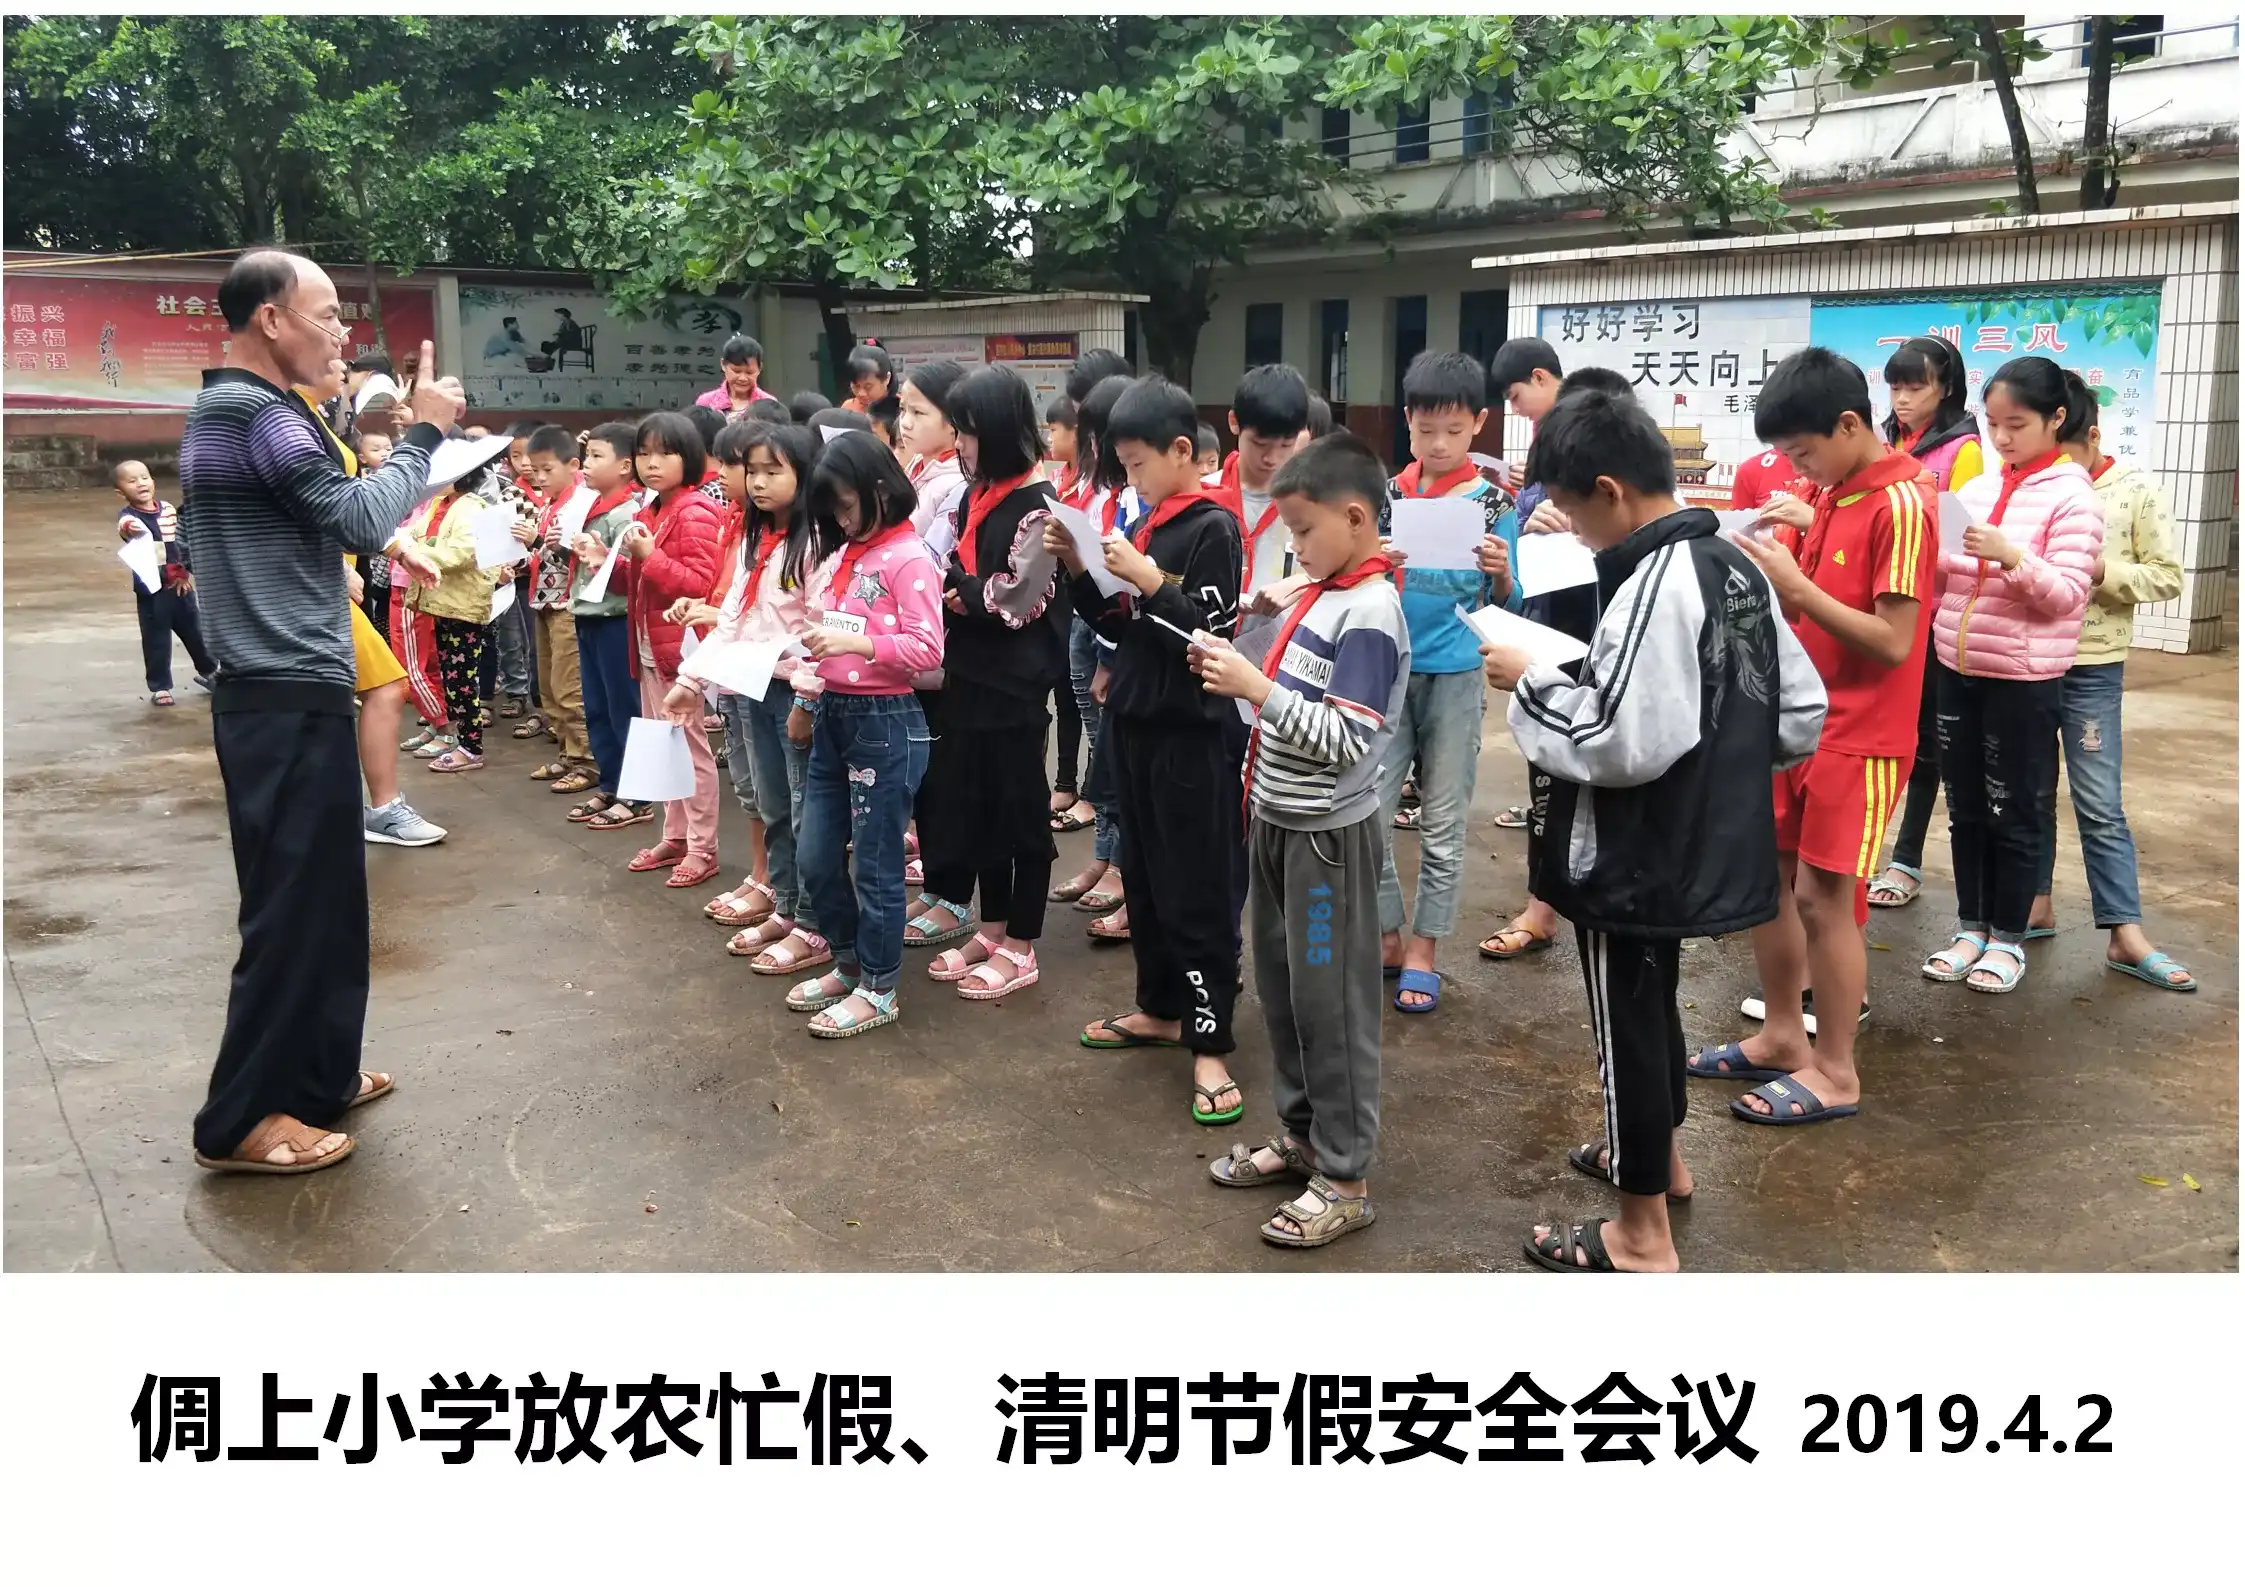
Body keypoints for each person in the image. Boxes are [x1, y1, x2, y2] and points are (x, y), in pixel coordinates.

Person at [1481, 387, 1826, 1270]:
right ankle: (1659, 1163)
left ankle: (1638, 1234)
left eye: (1576, 513)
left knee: (1625, 1028)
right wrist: (1718, 765)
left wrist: (1529, 680)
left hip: (1632, 854)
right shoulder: (1733, 563)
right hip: (1707, 839)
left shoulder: (1653, 581)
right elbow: (1796, 711)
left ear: (1610, 490)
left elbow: (1613, 738)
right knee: (1649, 1004)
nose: (1578, 533)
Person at [180, 249, 459, 1176]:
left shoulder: (257, 409)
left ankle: (316, 1075)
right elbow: (359, 518)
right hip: (279, 692)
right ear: (271, 318)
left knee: (331, 902)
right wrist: (425, 435)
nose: (342, 331)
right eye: (328, 313)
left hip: (294, 686)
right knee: (291, 912)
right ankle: (240, 1119)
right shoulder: (253, 412)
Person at [1690, 348, 1935, 1127]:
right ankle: (1779, 1034)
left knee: (1824, 899)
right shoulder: (1826, 493)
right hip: (1795, 719)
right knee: (1771, 880)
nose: (1795, 469)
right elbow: (1797, 610)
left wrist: (1794, 585)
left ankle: (1834, 1068)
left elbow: (1893, 641)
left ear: (1849, 424)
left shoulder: (1900, 504)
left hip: (1861, 734)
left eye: (1801, 452)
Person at [1192, 432, 1409, 1248]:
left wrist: (1255, 686)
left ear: (1354, 517)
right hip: (1277, 823)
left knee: (1332, 1006)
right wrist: (1253, 635)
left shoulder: (1370, 611)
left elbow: (1346, 739)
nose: (1296, 547)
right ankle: (1302, 1137)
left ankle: (1346, 1174)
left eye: (1304, 531)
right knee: (1283, 993)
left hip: (1325, 845)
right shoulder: (1322, 591)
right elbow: (1292, 684)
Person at [1045, 376, 1247, 1124]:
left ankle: (1210, 1042)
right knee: (1147, 880)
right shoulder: (1150, 521)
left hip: (1191, 734)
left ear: (1181, 450)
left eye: (1135, 464)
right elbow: (1121, 626)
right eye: (1122, 466)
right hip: (1134, 722)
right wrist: (1078, 566)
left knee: (1196, 889)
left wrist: (1152, 578)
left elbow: (1209, 634)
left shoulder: (1213, 528)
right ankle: (1160, 1009)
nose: (1129, 479)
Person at [1919, 355, 2100, 996]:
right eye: (1993, 424)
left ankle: (2008, 938)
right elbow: (1947, 568)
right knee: (1965, 808)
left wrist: (2011, 556)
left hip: (2023, 679)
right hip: (1958, 663)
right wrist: (1940, 548)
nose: (2001, 438)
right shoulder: (1977, 488)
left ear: (2056, 419)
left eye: (2016, 425)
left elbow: (2068, 596)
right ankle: (1971, 927)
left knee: (2015, 810)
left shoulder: (2074, 496)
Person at [2027, 374, 2194, 991]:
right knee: (2029, 795)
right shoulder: (2031, 485)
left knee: (2098, 803)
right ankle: (2035, 906)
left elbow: (2168, 576)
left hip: (2093, 667)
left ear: (2092, 436)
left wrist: (2100, 570)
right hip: (2027, 663)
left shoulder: (2135, 490)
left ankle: (2125, 932)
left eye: (2067, 455)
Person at [786, 431, 946, 1036]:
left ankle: (879, 985)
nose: (843, 520)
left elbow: (929, 650)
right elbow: (832, 635)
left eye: (848, 506)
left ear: (880, 489)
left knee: (876, 865)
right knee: (815, 855)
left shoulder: (909, 557)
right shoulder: (846, 556)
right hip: (834, 714)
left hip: (884, 721)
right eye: (834, 510)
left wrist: (857, 643)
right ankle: (850, 962)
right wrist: (809, 688)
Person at [914, 363, 1066, 1000]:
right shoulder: (975, 496)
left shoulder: (1040, 508)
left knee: (1020, 814)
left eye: (968, 431)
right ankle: (992, 927)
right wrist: (961, 591)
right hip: (968, 675)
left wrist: (963, 591)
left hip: (1014, 686)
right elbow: (951, 569)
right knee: (977, 809)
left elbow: (1016, 600)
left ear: (998, 431)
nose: (960, 444)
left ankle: (1022, 945)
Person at [1374, 350, 1518, 1012]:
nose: (1438, 444)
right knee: (1369, 812)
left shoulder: (1493, 503)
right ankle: (1386, 934)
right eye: (1426, 429)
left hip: (1456, 674)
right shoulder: (1387, 494)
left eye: (1454, 431)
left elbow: (1511, 606)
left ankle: (1424, 948)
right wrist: (1376, 561)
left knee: (1442, 818)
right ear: (1407, 420)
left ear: (1479, 425)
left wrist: (1501, 573)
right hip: (1385, 668)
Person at [674, 423, 827, 963]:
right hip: (751, 685)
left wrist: (806, 699)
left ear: (805, 474)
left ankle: (815, 923)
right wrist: (690, 679)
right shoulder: (754, 539)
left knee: (807, 811)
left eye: (772, 472)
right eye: (753, 471)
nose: (758, 483)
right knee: (773, 805)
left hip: (794, 694)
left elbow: (822, 632)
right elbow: (733, 618)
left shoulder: (817, 544)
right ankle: (786, 907)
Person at [1479, 340, 1603, 957]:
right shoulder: (1541, 446)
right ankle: (1541, 907)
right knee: (1547, 777)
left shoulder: (1598, 432)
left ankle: (1589, 903)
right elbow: (1530, 525)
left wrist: (1581, 527)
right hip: (1550, 629)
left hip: (1603, 633)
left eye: (1515, 396)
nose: (1517, 409)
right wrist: (1533, 525)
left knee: (1600, 778)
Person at [1868, 334, 1990, 911]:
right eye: (1896, 386)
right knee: (1878, 735)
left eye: (1916, 386)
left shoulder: (1963, 450)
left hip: (1933, 613)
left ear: (1946, 389)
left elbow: (1960, 534)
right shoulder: (1881, 442)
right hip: (1880, 604)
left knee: (1924, 745)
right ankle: (1863, 854)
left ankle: (1907, 860)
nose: (1902, 398)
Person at [619, 410, 726, 887]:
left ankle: (703, 847)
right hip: (651, 645)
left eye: (664, 453)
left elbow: (700, 586)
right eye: (643, 453)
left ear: (689, 457)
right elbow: (642, 584)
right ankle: (676, 835)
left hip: (681, 649)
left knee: (690, 747)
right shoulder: (652, 509)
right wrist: (606, 561)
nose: (651, 463)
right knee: (663, 744)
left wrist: (649, 556)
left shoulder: (696, 510)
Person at [1047, 373, 1135, 929]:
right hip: (1086, 620)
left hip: (1114, 632)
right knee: (1100, 750)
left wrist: (1107, 655)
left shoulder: (1132, 491)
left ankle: (1122, 867)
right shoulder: (1093, 483)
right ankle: (1104, 856)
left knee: (1115, 752)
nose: (1093, 443)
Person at [565, 422, 652, 829]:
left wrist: (601, 558)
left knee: (624, 709)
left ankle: (638, 795)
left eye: (597, 456)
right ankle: (612, 782)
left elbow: (635, 571)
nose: (586, 464)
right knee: (597, 707)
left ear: (625, 466)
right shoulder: (593, 507)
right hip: (588, 616)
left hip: (616, 620)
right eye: (587, 455)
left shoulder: (628, 514)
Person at [408, 461, 503, 774]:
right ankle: (463, 742)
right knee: (452, 678)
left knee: (462, 681)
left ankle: (471, 748)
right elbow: (413, 534)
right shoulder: (440, 503)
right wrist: (414, 546)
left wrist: (417, 550)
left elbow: (461, 552)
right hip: (444, 603)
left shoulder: (472, 506)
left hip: (463, 605)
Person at [519, 426, 597, 791]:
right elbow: (544, 554)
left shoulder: (582, 501)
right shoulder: (550, 503)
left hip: (568, 604)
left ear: (573, 465)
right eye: (535, 469)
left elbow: (585, 557)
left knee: (569, 687)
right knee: (549, 686)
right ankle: (568, 753)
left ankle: (587, 761)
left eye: (547, 469)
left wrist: (538, 540)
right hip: (544, 600)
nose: (539, 476)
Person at [114, 459, 216, 705]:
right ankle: (160, 687)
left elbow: (181, 544)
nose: (140, 483)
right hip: (152, 591)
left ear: (153, 481)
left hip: (180, 587)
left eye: (144, 477)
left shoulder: (169, 510)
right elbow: (126, 528)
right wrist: (135, 530)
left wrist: (185, 573)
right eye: (132, 481)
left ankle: (210, 672)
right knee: (156, 639)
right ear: (120, 492)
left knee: (196, 633)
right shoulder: (129, 517)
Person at [696, 333, 774, 418]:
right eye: (736, 371)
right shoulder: (706, 402)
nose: (742, 378)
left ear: (760, 368)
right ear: (723, 364)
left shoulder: (769, 404)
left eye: (749, 372)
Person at [841, 342, 896, 413]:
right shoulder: (848, 408)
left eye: (868, 387)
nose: (861, 393)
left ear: (887, 379)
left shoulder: (902, 408)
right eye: (856, 386)